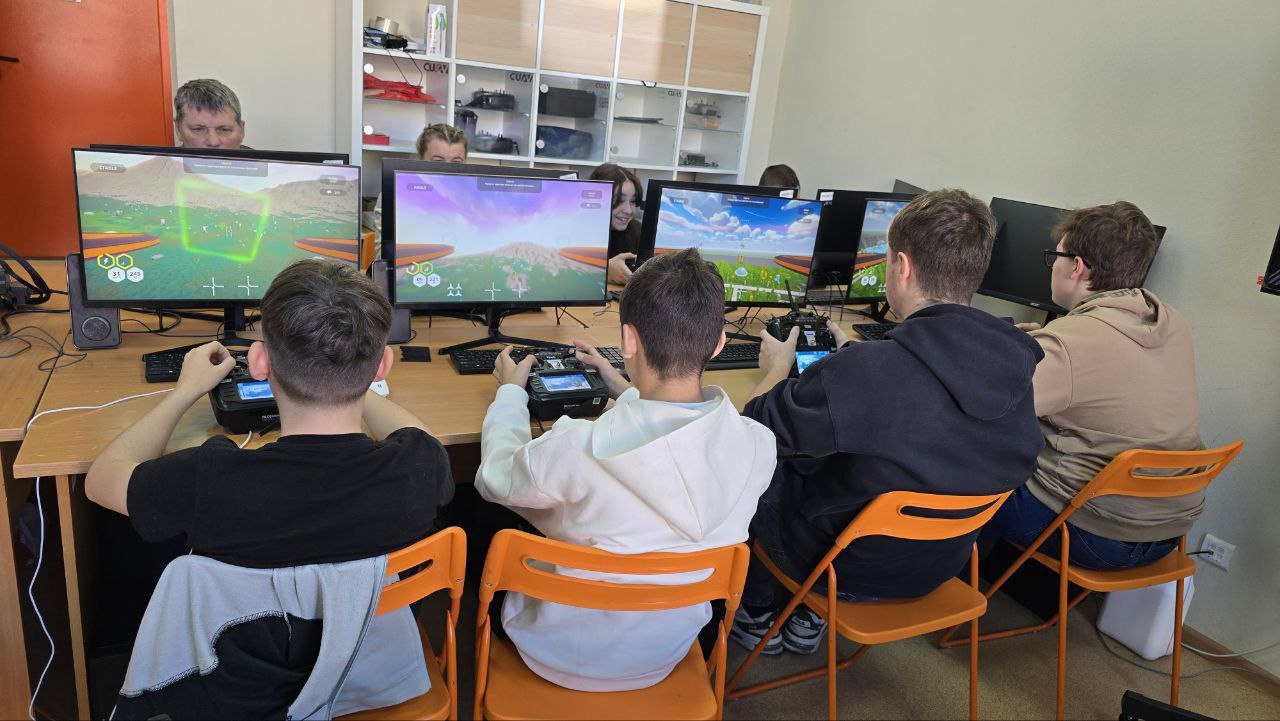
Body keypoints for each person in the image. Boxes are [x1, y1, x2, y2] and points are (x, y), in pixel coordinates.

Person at [84, 259, 455, 716]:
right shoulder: (419, 467)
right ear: (384, 365)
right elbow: (418, 435)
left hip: (238, 694)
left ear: (259, 361)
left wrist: (185, 391)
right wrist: (359, 382)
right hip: (368, 678)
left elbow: (101, 480)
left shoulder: (213, 479)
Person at [731, 189, 1044, 656]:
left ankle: (756, 614)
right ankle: (809, 618)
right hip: (937, 567)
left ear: (902, 266)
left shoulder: (869, 371)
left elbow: (753, 429)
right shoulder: (1015, 365)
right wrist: (859, 360)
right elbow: (922, 413)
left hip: (839, 568)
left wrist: (777, 367)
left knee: (758, 470)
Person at [475, 248, 777, 691]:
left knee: (479, 514)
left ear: (628, 341)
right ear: (718, 343)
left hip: (552, 653)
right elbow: (676, 444)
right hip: (665, 656)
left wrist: (511, 394)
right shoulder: (758, 446)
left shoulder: (575, 447)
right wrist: (622, 385)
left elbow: (494, 477)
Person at [979, 202, 1201, 570]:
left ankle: (941, 580)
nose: (1053, 266)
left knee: (961, 459)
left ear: (1077, 267)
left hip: (1093, 534)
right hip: (1166, 535)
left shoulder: (1070, 344)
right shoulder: (1169, 321)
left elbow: (987, 407)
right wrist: (1043, 344)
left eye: (1056, 257)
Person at [369, 123, 469, 239]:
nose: (447, 171)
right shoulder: (394, 192)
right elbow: (382, 247)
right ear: (420, 159)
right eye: (438, 162)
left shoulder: (474, 196)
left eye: (456, 162)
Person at [589, 163, 643, 285]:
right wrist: (604, 271)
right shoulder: (577, 231)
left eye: (633, 201)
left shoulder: (638, 231)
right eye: (619, 200)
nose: (629, 211)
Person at [173, 78, 247, 149]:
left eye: (224, 130)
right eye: (198, 129)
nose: (213, 142)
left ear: (241, 131)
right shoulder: (166, 160)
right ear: (178, 129)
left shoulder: (255, 159)